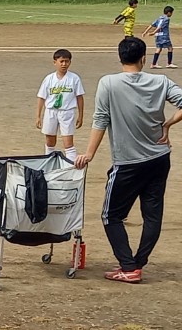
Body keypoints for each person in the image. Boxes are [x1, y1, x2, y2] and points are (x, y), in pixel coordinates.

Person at [75, 36, 182, 283]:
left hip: (127, 163)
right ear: (144, 58)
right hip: (159, 158)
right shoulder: (160, 81)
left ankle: (128, 266)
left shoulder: (108, 84)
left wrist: (89, 153)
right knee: (152, 215)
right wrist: (169, 123)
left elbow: (100, 119)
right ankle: (138, 264)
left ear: (120, 56)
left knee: (111, 216)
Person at [35, 49, 85, 162]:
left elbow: (80, 97)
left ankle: (71, 166)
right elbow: (41, 97)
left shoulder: (74, 79)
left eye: (66, 61)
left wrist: (80, 116)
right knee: (50, 141)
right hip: (51, 111)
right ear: (55, 62)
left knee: (68, 143)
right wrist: (38, 116)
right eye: (61, 61)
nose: (64, 64)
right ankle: (49, 163)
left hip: (67, 112)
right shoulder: (49, 79)